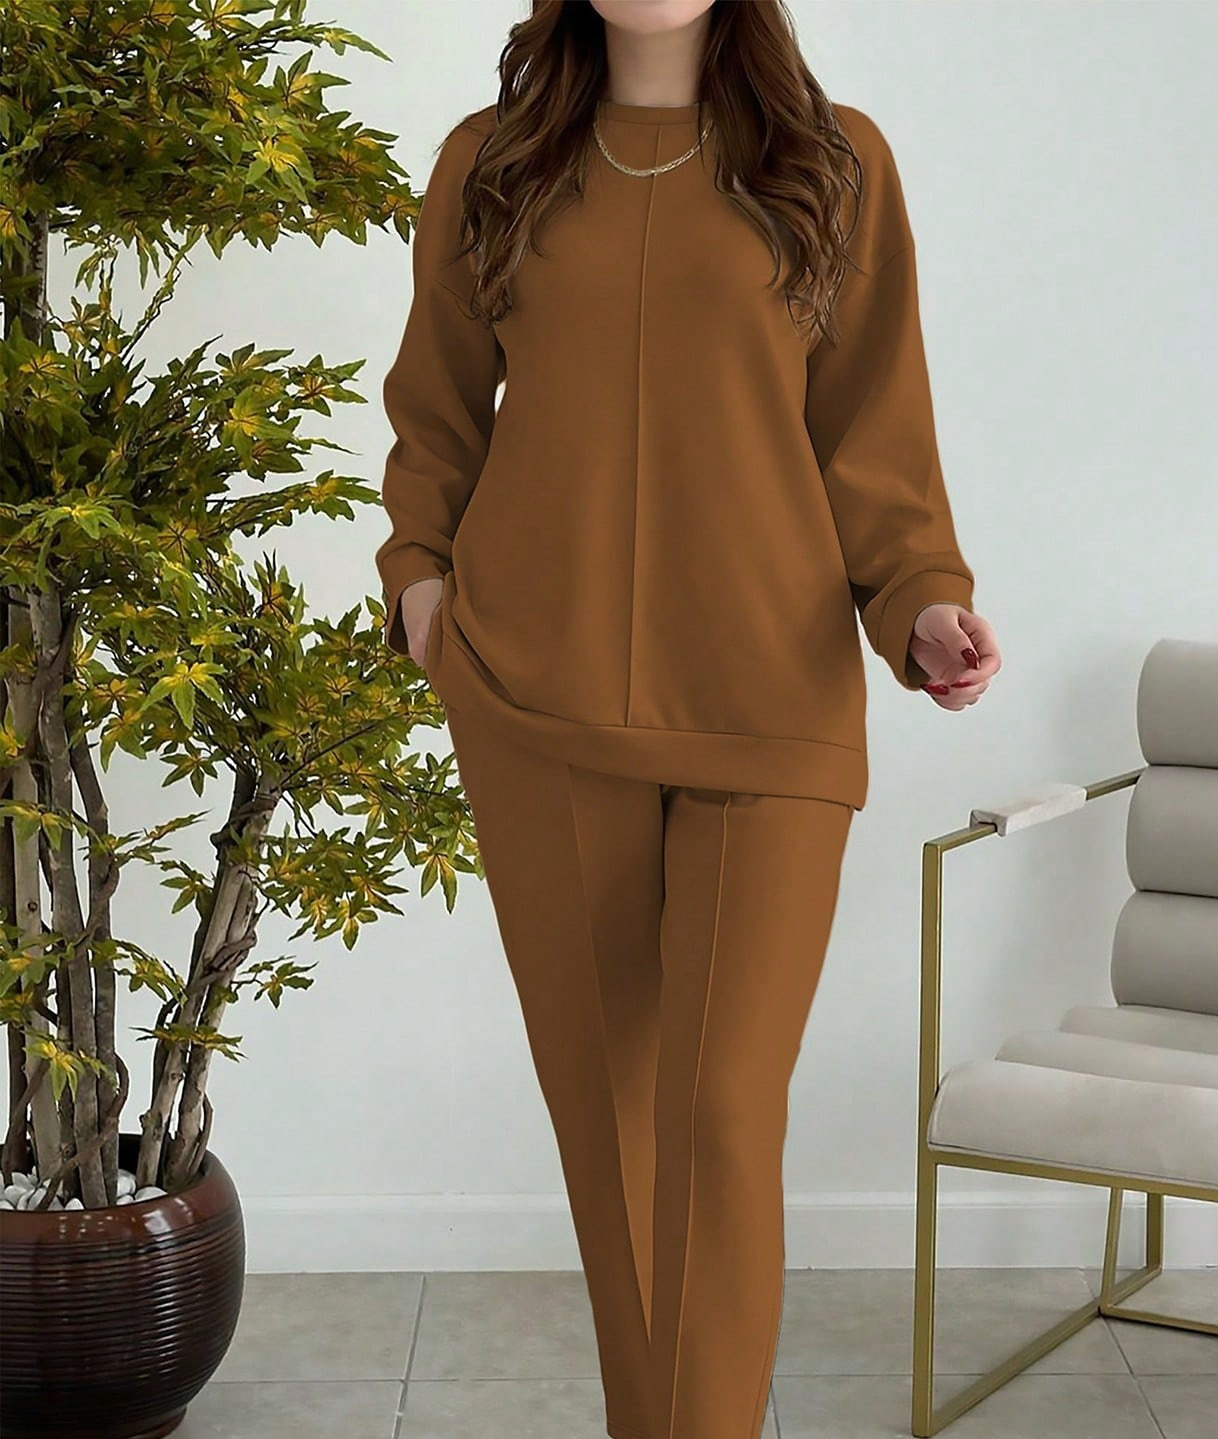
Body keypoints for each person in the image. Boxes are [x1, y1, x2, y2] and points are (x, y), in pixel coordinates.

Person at [373, 3, 1002, 1436]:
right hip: (535, 701)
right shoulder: (492, 163)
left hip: (769, 701)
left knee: (719, 1113)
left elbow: (876, 436)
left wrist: (922, 603)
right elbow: (439, 415)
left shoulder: (835, 162)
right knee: (613, 1140)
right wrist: (420, 586)